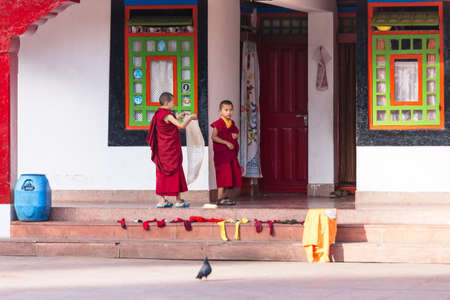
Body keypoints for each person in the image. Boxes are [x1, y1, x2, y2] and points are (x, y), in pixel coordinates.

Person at [146, 92, 197, 208]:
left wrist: (179, 116)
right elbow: (181, 126)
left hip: (163, 149)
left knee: (161, 173)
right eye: (173, 102)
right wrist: (190, 118)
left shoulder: (159, 113)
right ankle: (178, 200)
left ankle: (162, 200)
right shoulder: (167, 115)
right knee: (176, 171)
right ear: (167, 103)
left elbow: (168, 123)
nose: (174, 104)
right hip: (170, 150)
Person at [211, 100, 242, 206]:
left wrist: (236, 136)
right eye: (226, 110)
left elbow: (235, 132)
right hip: (222, 156)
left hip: (231, 155)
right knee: (223, 176)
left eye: (231, 110)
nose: (229, 112)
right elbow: (214, 137)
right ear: (220, 111)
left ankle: (225, 197)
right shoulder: (218, 123)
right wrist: (226, 142)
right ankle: (219, 198)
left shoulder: (232, 123)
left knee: (231, 175)